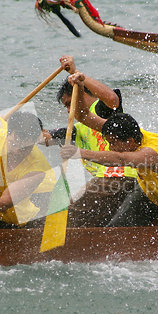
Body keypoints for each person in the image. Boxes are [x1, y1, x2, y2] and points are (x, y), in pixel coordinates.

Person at [61, 72, 158, 226]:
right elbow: (83, 116)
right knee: (116, 229)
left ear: (130, 141)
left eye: (113, 144)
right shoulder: (122, 132)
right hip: (151, 192)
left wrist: (80, 153)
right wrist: (80, 87)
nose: (111, 147)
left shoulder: (151, 152)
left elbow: (121, 159)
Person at [41, 55, 138, 227]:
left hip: (123, 178)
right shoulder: (76, 128)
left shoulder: (102, 111)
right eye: (66, 106)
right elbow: (46, 138)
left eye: (69, 103)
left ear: (82, 92)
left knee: (67, 215)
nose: (69, 110)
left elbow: (112, 99)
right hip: (108, 185)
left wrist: (78, 75)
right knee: (68, 207)